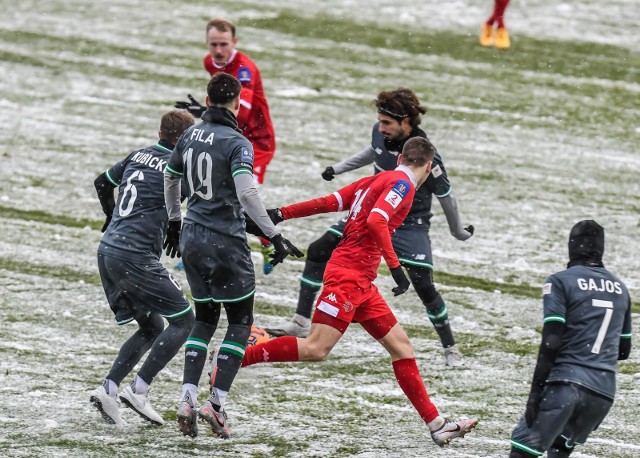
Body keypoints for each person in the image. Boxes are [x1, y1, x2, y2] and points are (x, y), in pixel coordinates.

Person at [242, 137, 478, 447]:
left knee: (402, 347)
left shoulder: (379, 178)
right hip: (348, 278)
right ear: (429, 166)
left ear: (400, 158)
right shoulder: (403, 185)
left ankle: (437, 425)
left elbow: (331, 202)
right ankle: (237, 358)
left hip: (362, 283)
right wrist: (396, 268)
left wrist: (281, 213)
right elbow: (378, 221)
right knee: (316, 349)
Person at [265, 88, 474, 367]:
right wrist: (338, 168)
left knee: (423, 285)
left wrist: (458, 231)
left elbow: (446, 195)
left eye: (388, 123)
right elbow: (373, 152)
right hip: (372, 212)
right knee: (318, 250)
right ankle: (301, 322)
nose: (381, 127)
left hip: (410, 224)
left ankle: (450, 347)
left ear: (407, 123)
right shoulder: (382, 134)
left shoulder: (426, 157)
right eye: (380, 121)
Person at [164, 72, 303, 439]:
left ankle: (187, 397)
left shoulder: (189, 134)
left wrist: (174, 222)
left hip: (192, 238)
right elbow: (246, 193)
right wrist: (273, 235)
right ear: (237, 102)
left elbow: (171, 176)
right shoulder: (238, 142)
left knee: (204, 319)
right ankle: (217, 404)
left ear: (208, 100)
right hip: (225, 241)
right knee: (240, 323)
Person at [90, 110, 196, 426]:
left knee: (152, 326)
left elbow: (101, 182)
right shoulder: (179, 170)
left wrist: (111, 216)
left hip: (108, 250)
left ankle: (108, 390)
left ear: (160, 131)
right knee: (184, 319)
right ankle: (139, 389)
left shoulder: (139, 155)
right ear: (184, 141)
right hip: (135, 257)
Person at [509, 220, 632, 457]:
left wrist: (535, 393)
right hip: (602, 394)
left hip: (567, 386)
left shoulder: (560, 281)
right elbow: (623, 351)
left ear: (571, 246)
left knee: (523, 450)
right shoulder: (621, 288)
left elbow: (551, 341)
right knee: (558, 448)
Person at [175, 16, 278, 274]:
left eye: (223, 44)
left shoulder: (245, 70)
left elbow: (243, 110)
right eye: (213, 45)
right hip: (226, 135)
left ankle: (267, 244)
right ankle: (202, 246)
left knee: (243, 196)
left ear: (234, 42)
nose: (218, 51)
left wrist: (206, 111)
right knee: (209, 185)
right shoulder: (209, 62)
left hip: (256, 141)